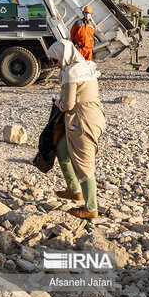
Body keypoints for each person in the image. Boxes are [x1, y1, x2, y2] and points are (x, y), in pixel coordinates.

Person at [46, 40, 106, 219]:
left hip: (81, 121)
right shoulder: (85, 65)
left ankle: (91, 207)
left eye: (55, 61)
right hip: (94, 115)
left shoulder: (71, 72)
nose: (55, 65)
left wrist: (57, 102)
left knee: (84, 163)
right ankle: (74, 188)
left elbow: (68, 104)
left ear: (62, 56)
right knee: (62, 150)